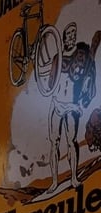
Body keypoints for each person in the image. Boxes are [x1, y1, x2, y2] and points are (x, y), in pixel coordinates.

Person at [47, 22, 100, 191]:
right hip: (56, 104)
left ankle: (74, 178)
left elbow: (89, 76)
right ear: (63, 38)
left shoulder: (81, 56)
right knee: (54, 142)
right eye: (68, 34)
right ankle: (54, 181)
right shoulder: (57, 58)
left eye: (73, 34)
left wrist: (83, 99)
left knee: (72, 141)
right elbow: (49, 83)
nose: (71, 37)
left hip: (72, 105)